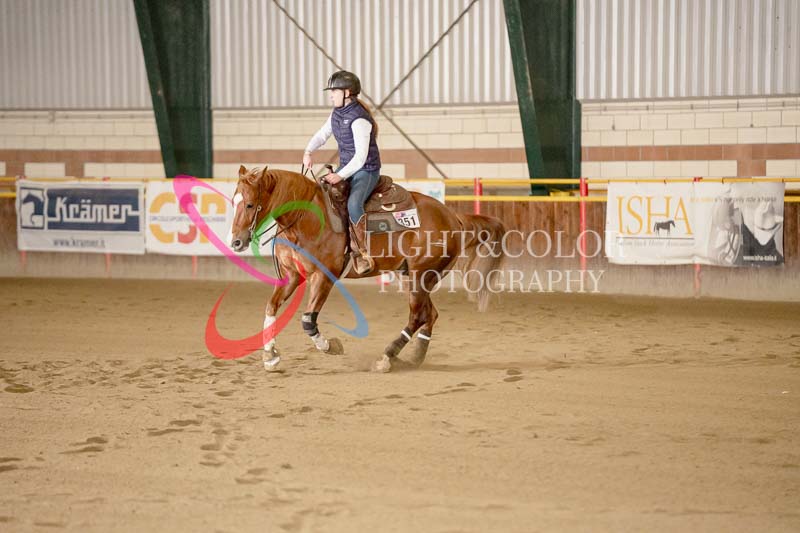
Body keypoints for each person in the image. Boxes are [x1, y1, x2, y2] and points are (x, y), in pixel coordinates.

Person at [303, 70, 381, 275]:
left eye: (334, 91)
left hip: (366, 170)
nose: (331, 95)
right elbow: (322, 135)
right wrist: (308, 151)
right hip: (346, 168)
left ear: (347, 93)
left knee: (354, 204)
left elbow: (361, 157)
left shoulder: (360, 119)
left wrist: (339, 175)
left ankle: (362, 252)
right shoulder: (336, 113)